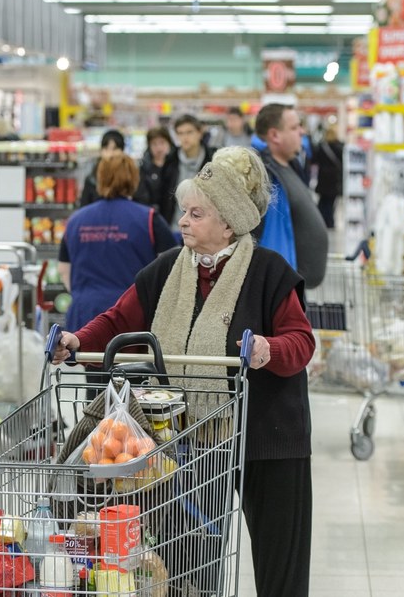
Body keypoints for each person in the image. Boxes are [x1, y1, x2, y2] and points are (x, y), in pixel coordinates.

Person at [51, 147, 315, 597]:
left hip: (268, 436)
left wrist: (269, 350)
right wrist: (78, 341)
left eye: (197, 213)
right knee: (189, 560)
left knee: (279, 564)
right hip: (191, 441)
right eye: (184, 212)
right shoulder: (169, 269)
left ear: (228, 222)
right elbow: (118, 320)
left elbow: (302, 341)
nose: (184, 222)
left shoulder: (270, 272)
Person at [60, 152, 177, 333]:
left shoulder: (75, 220)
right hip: (131, 314)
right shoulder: (149, 219)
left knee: (88, 359)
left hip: (84, 314)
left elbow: (64, 269)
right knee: (129, 361)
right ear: (133, 179)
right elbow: (172, 266)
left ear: (100, 179)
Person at [252, 103, 329, 289]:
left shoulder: (290, 165)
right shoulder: (262, 175)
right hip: (278, 288)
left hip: (292, 288)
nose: (302, 132)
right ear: (275, 135)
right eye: (294, 127)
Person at [134, 127, 178, 224]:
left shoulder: (177, 165)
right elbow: (140, 197)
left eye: (162, 143)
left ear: (169, 143)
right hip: (152, 219)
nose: (159, 148)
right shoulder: (144, 168)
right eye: (154, 144)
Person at [79, 130, 127, 207]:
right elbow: (84, 208)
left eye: (114, 149)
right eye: (106, 148)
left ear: (122, 151)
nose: (110, 154)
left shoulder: (129, 177)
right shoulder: (92, 179)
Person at [311, 127, 345, 229]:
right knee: (331, 202)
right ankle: (330, 222)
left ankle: (321, 221)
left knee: (323, 201)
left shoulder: (322, 147)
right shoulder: (340, 147)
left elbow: (314, 160)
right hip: (334, 179)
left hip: (323, 178)